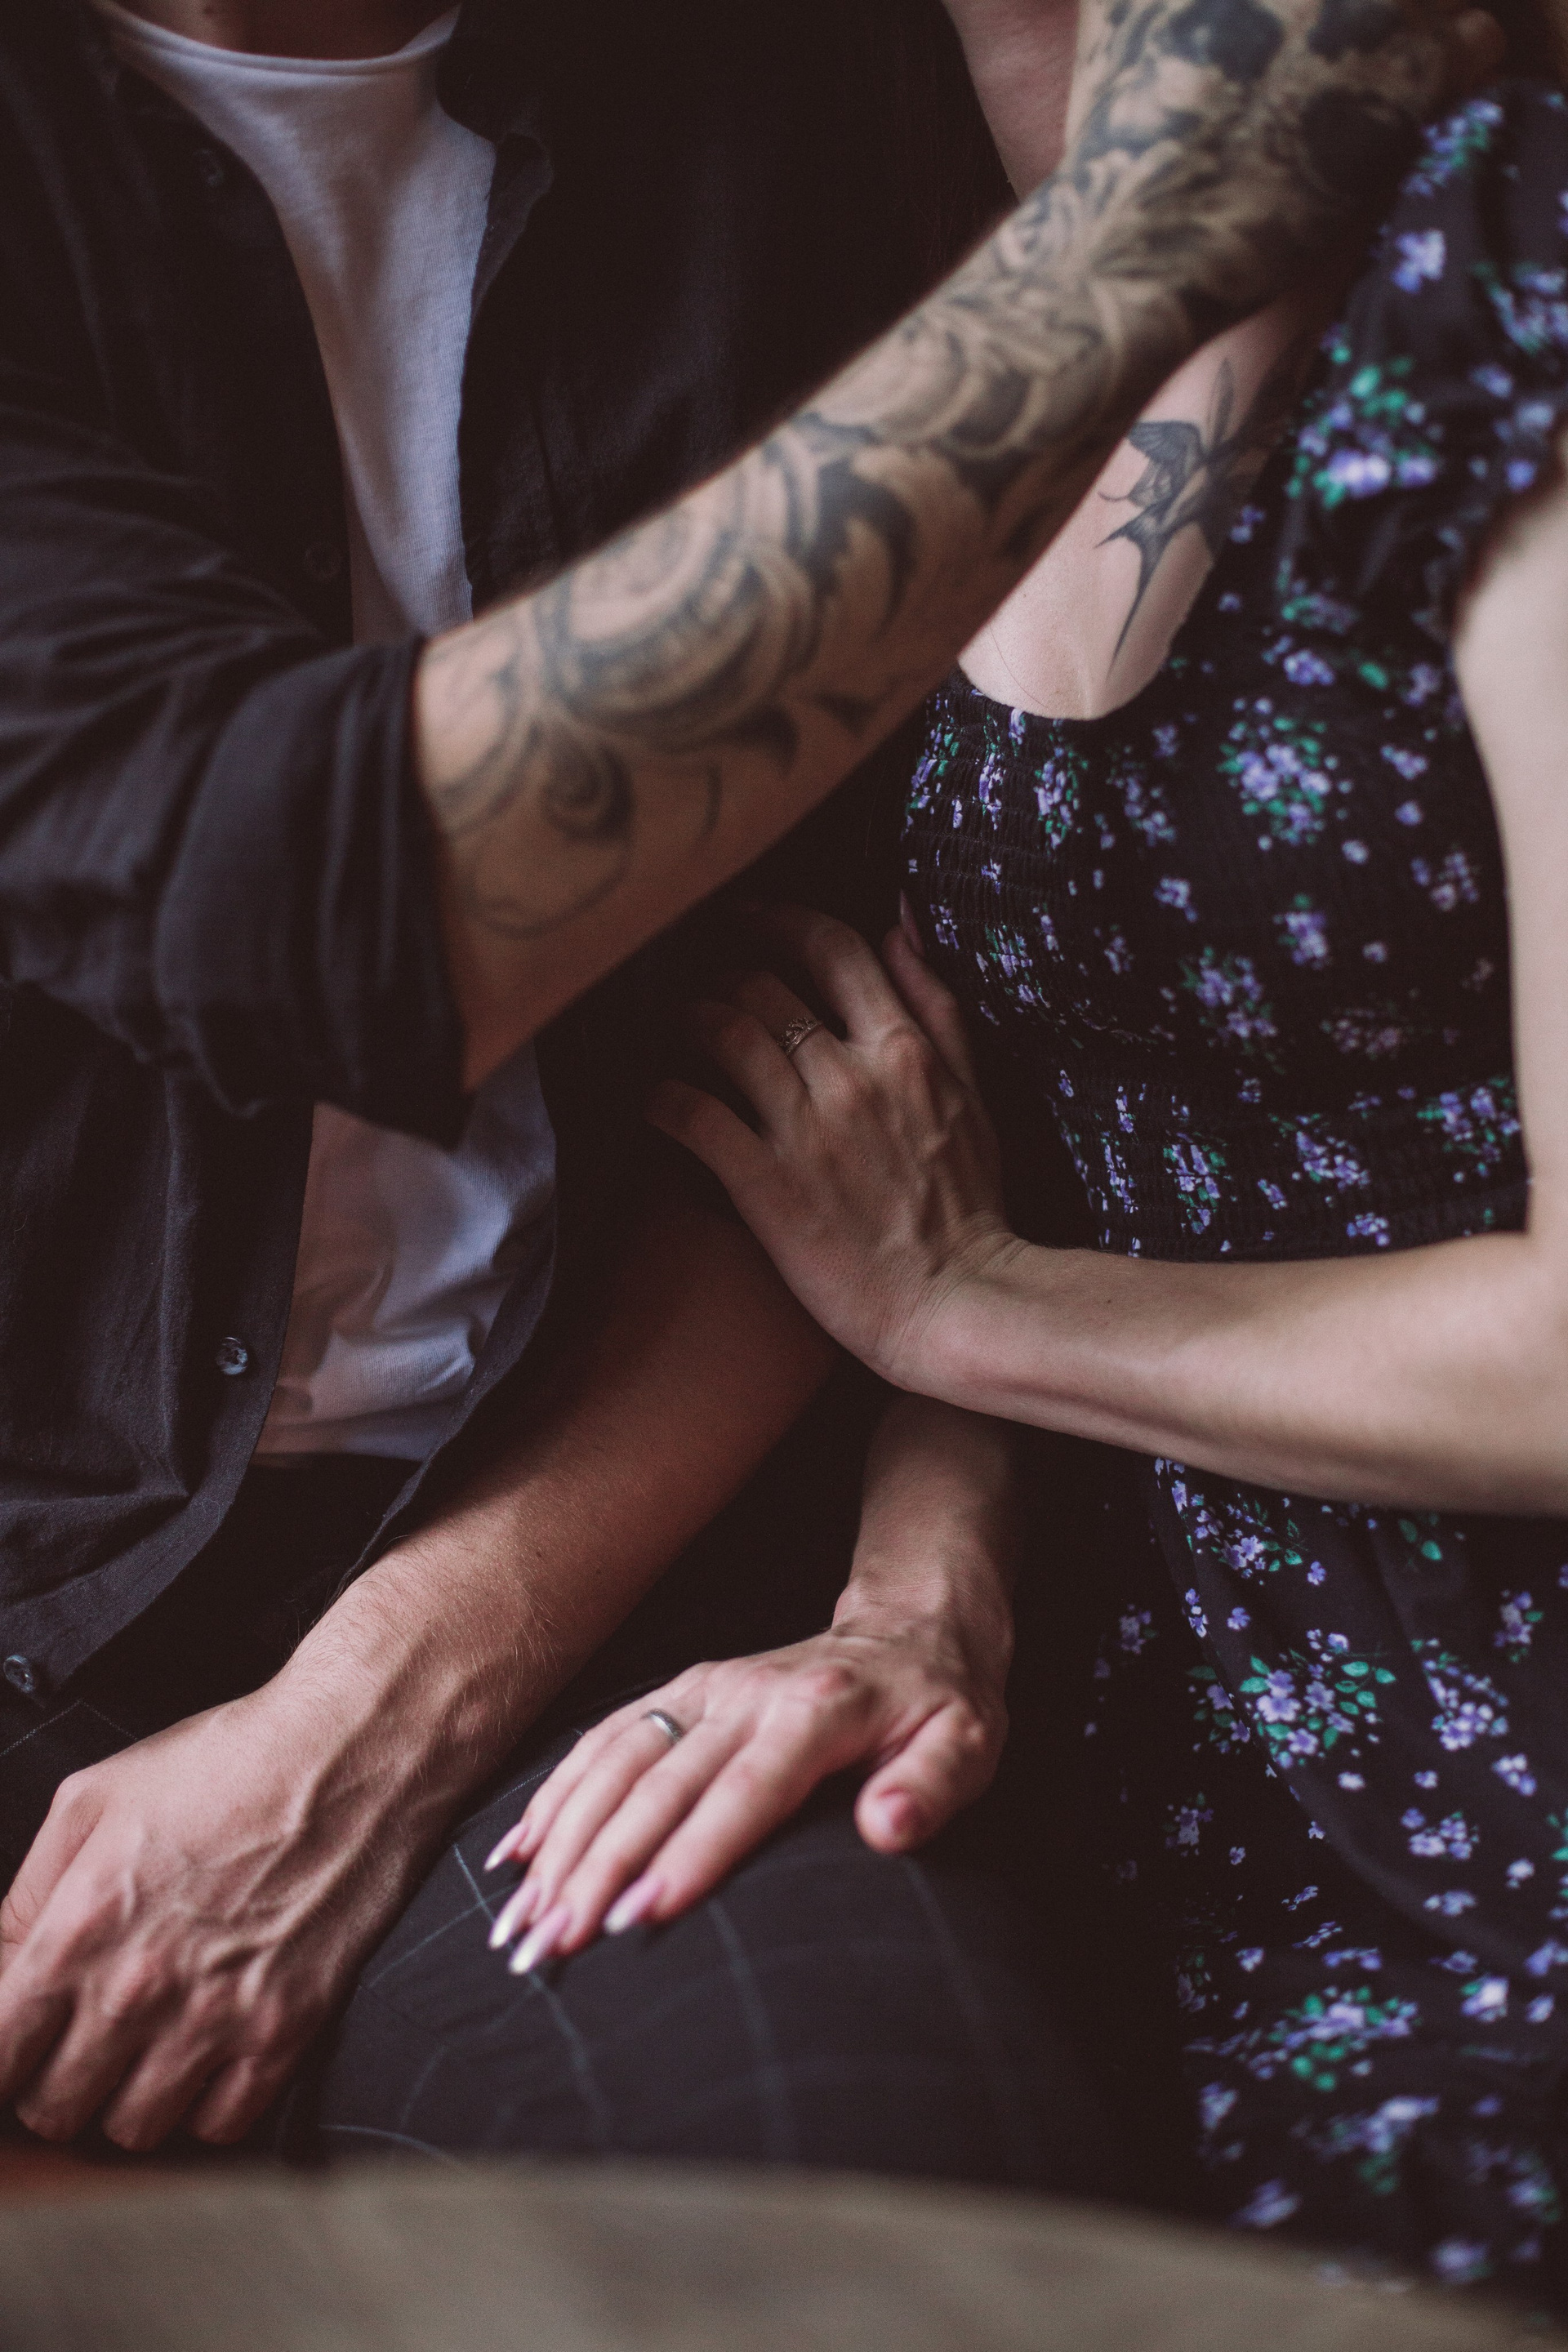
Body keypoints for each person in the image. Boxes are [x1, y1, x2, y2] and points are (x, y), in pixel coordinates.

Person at [0, 0, 1485, 2174]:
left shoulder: (782, 80)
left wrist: (383, 1710)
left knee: (877, 2155)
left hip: (586, 1547)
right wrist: (1153, 216)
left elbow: (855, 1035)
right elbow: (284, 898)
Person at [528, 0, 1568, 2297]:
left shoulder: (1511, 258)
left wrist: (975, 1306)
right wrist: (914, 1610)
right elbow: (980, 1123)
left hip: (1491, 1726)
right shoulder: (897, 278)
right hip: (1104, 1704)